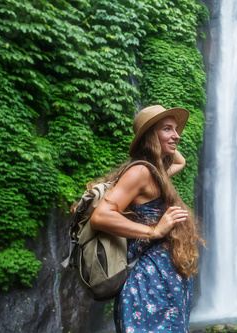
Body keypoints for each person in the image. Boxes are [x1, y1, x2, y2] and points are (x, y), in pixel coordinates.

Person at [89, 105, 203, 333]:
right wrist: (155, 231)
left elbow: (180, 162)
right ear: (151, 135)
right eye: (168, 129)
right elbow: (100, 216)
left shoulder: (156, 173)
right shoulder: (140, 172)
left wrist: (165, 138)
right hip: (149, 285)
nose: (177, 135)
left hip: (166, 284)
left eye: (177, 129)